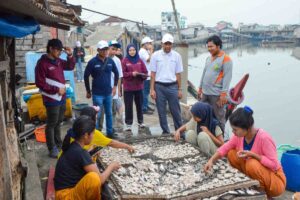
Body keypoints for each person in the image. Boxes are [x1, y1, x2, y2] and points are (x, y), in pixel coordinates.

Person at [204, 106, 286, 198]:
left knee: (252, 163)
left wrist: (254, 155)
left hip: (275, 182)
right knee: (231, 153)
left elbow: (274, 165)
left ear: (247, 128)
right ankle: (248, 184)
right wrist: (211, 160)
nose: (233, 132)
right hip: (255, 175)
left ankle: (261, 194)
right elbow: (225, 148)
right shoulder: (239, 136)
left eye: (235, 129)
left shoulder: (264, 138)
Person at [54, 116, 121, 200]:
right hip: (65, 196)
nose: (93, 136)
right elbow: (100, 179)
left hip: (62, 193)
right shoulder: (81, 152)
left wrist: (90, 154)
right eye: (93, 133)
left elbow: (80, 160)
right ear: (86, 135)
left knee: (92, 174)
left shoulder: (73, 146)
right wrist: (111, 166)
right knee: (94, 178)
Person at [35, 39, 75, 158]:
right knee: (51, 123)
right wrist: (56, 90)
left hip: (61, 97)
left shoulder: (58, 61)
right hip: (51, 98)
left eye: (60, 51)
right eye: (57, 50)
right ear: (51, 48)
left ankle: (59, 144)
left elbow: (70, 66)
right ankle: (52, 148)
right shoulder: (42, 63)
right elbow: (40, 83)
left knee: (59, 122)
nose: (59, 53)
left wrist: (70, 55)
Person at [58, 106, 134, 158]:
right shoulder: (92, 133)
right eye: (96, 118)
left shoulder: (75, 128)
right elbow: (111, 143)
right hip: (72, 169)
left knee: (96, 149)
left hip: (62, 162)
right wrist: (127, 146)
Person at [84, 40, 119, 139]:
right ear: (98, 50)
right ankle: (94, 135)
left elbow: (116, 73)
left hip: (108, 93)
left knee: (109, 113)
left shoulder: (110, 61)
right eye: (102, 50)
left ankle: (110, 133)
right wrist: (88, 91)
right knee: (97, 116)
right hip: (97, 93)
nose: (104, 52)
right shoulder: (92, 62)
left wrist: (115, 86)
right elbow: (86, 76)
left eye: (106, 49)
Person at [198, 35, 233, 132]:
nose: (209, 49)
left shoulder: (226, 59)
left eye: (211, 46)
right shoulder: (208, 59)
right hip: (205, 93)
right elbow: (204, 74)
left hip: (216, 94)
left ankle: (221, 138)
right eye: (208, 47)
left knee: (219, 117)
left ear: (218, 46)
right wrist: (200, 88)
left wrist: (223, 94)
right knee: (202, 113)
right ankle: (204, 132)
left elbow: (227, 77)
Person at [150, 33, 183, 134]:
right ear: (162, 44)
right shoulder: (155, 55)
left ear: (172, 44)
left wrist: (180, 89)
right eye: (166, 44)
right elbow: (153, 74)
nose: (168, 46)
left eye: (170, 44)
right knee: (161, 111)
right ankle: (166, 132)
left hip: (173, 86)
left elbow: (178, 74)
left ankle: (180, 132)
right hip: (159, 86)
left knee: (176, 111)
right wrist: (152, 89)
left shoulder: (177, 56)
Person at [122, 44, 148, 131]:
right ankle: (128, 124)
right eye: (130, 50)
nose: (132, 52)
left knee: (139, 105)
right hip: (128, 88)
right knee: (128, 106)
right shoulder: (125, 61)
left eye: (133, 50)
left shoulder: (140, 60)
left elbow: (145, 72)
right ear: (127, 51)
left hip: (139, 87)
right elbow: (123, 74)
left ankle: (141, 122)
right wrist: (131, 74)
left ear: (136, 51)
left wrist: (142, 75)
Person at [139, 36, 155, 114]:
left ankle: (146, 105)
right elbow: (148, 59)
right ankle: (144, 108)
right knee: (144, 93)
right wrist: (151, 50)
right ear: (145, 44)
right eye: (149, 43)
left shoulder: (146, 51)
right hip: (145, 75)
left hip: (148, 75)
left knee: (146, 92)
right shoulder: (142, 51)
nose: (150, 45)